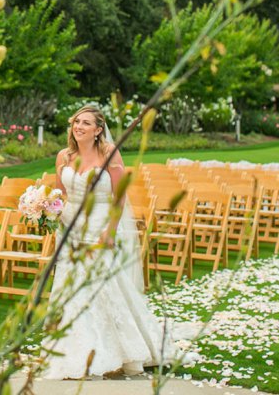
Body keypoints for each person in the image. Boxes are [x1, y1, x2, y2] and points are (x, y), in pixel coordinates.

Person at [42, 104, 171, 379]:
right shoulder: (63, 156)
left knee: (102, 288)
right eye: (77, 122)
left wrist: (110, 231)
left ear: (98, 130)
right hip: (69, 227)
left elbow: (120, 195)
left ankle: (116, 349)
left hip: (99, 223)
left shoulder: (109, 154)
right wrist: (44, 207)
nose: (79, 127)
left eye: (86, 123)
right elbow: (59, 193)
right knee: (71, 289)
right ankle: (75, 349)